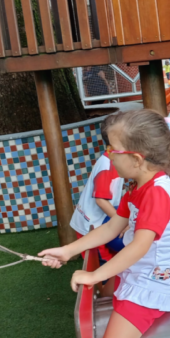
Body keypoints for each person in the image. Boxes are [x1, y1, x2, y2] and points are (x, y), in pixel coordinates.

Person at [39, 109, 170, 338]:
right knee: (108, 295)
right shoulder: (138, 186)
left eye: (112, 150)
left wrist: (94, 275)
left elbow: (139, 247)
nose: (108, 155)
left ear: (136, 159)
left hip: (152, 288)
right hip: (140, 275)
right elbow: (110, 228)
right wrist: (68, 250)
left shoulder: (157, 193)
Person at [69, 117, 126, 297]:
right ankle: (103, 297)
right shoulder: (108, 165)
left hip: (98, 221)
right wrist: (121, 222)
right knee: (104, 265)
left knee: (110, 261)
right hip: (91, 224)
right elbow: (101, 200)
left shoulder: (113, 160)